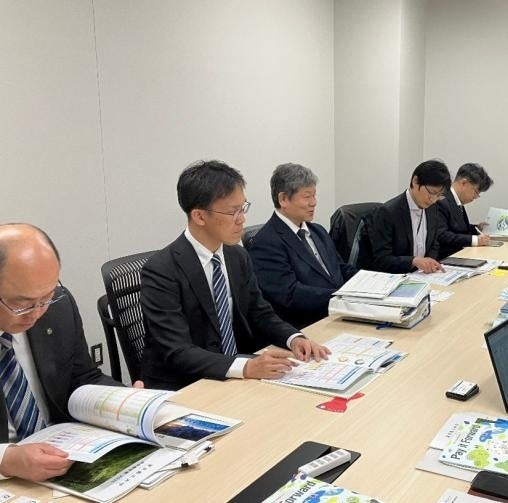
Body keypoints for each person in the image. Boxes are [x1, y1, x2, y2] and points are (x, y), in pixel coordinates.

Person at [140, 160, 329, 391]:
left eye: (243, 208)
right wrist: (245, 367)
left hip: (235, 374)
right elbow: (178, 350)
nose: (242, 219)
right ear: (199, 216)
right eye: (233, 212)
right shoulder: (161, 270)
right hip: (185, 383)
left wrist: (294, 338)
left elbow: (259, 312)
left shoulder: (237, 256)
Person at [0, 224, 123, 481]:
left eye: (46, 296)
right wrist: (5, 460)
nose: (37, 313)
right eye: (22, 304)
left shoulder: (58, 306)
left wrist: (127, 401)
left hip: (62, 453)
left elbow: (84, 377)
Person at [248, 163, 357, 329]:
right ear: (283, 199)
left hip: (339, 315)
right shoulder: (266, 242)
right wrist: (341, 298)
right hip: (307, 325)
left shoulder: (318, 231)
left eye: (314, 195)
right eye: (307, 197)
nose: (314, 202)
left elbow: (340, 269)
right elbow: (289, 293)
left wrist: (375, 282)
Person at [367, 159, 451, 274]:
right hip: (396, 276)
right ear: (415, 181)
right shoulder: (387, 212)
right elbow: (382, 260)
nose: (433, 199)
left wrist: (430, 262)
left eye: (439, 195)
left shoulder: (433, 208)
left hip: (423, 275)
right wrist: (413, 261)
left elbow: (434, 244)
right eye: (431, 192)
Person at [437, 163, 494, 259]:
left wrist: (477, 228)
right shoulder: (441, 200)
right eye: (476, 192)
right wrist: (475, 240)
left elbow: (457, 227)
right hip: (445, 258)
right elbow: (442, 235)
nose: (476, 197)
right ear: (464, 183)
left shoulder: (456, 200)